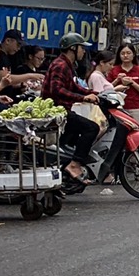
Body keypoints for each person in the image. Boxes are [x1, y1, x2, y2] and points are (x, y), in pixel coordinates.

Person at [42, 32, 101, 185]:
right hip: (57, 112)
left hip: (63, 111)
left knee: (74, 138)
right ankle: (74, 164)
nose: (83, 52)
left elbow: (74, 87)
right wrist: (83, 98)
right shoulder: (60, 65)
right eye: (82, 48)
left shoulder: (67, 65)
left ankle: (66, 171)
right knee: (91, 128)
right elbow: (57, 90)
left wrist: (94, 94)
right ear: (73, 48)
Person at [111, 42, 139, 126]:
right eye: (123, 53)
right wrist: (117, 80)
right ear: (119, 55)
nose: (125, 56)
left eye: (128, 53)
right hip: (117, 108)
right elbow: (107, 88)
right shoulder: (113, 70)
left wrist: (132, 83)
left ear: (134, 54)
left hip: (135, 107)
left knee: (137, 133)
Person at [0, 29, 43, 94]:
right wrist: (30, 76)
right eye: (18, 44)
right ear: (8, 41)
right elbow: (4, 79)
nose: (19, 48)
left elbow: (7, 83)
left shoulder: (8, 57)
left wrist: (21, 85)